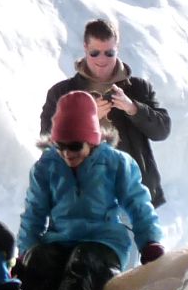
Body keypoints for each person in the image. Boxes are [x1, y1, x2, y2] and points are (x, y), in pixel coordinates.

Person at [6, 91, 163, 290]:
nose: (67, 153)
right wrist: (26, 253)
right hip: (59, 237)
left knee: (84, 263)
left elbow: (138, 204)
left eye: (75, 146)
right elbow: (34, 213)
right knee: (41, 259)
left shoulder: (115, 163)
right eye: (61, 146)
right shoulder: (47, 166)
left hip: (103, 240)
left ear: (92, 139)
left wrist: (149, 242)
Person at [38, 17, 172, 208]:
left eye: (109, 53)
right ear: (85, 48)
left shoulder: (138, 88)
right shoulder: (62, 93)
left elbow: (162, 130)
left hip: (132, 200)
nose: (102, 60)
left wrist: (133, 108)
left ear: (117, 48)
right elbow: (49, 145)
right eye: (95, 53)